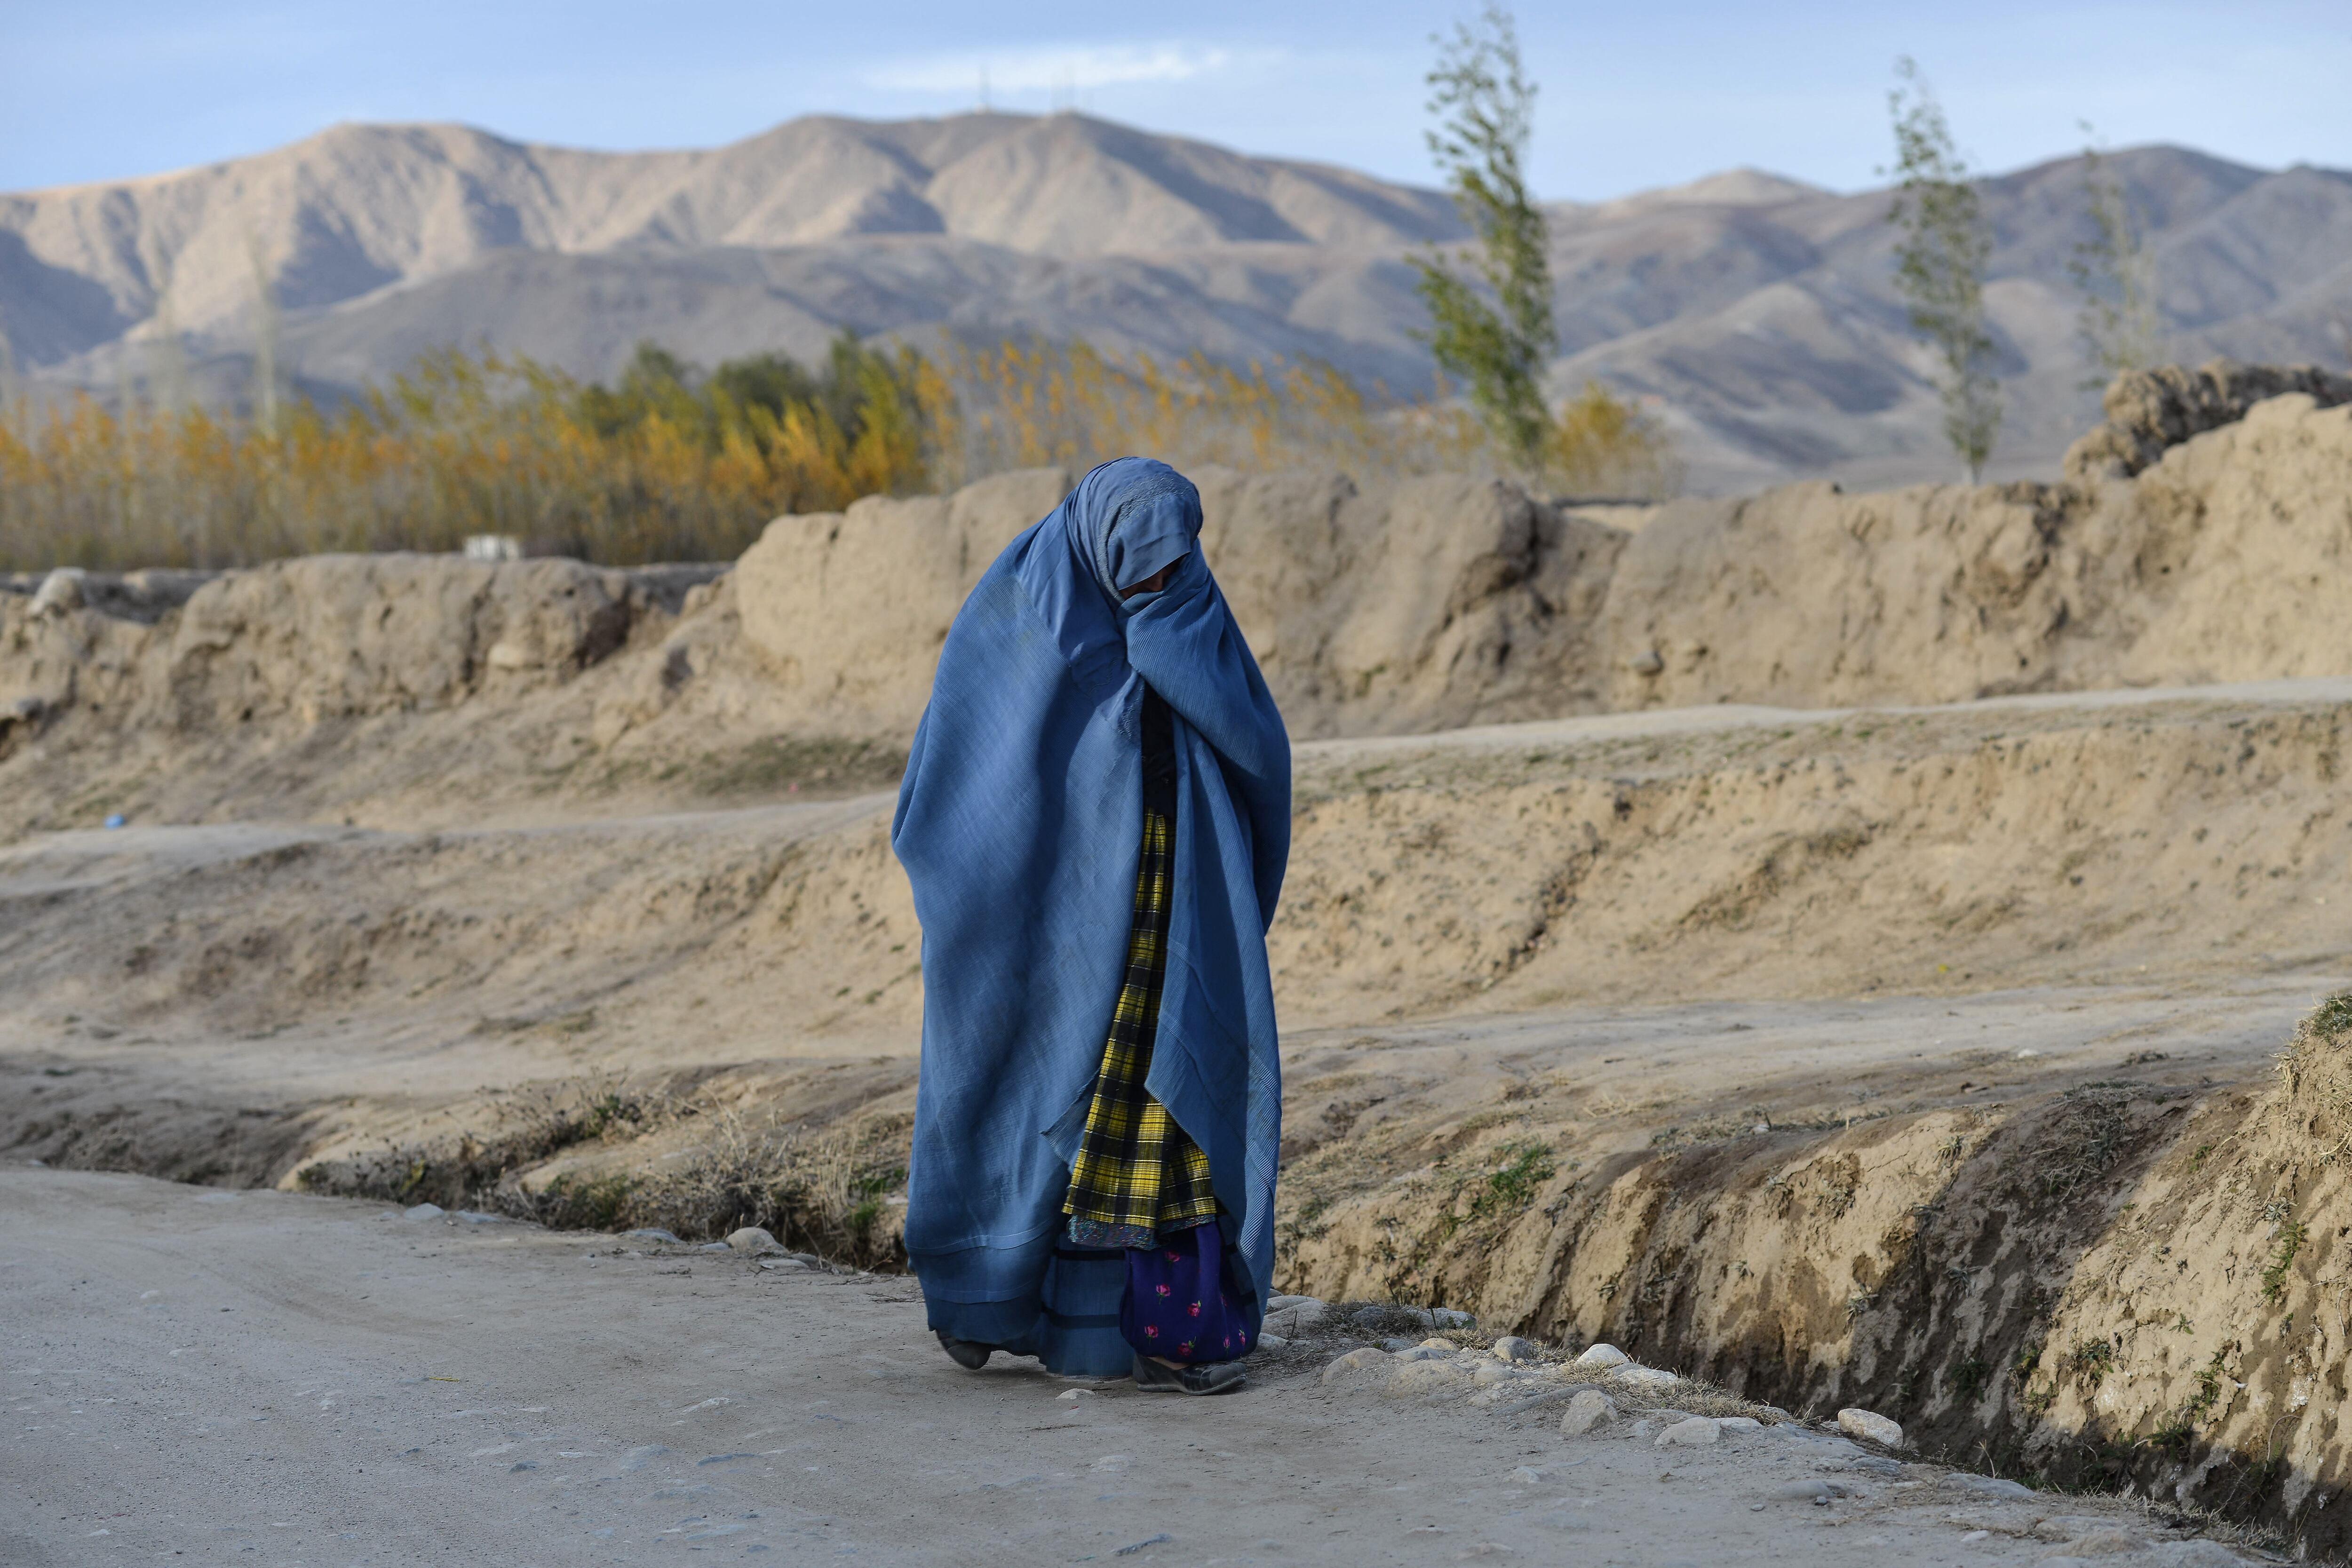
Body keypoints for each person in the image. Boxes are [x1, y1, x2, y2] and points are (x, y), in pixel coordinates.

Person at [891, 457, 1290, 1395]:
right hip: (1048, 928)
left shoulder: (1190, 612)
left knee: (1167, 1101)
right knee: (1019, 1097)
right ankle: (981, 1296)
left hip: (1169, 918)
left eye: (1172, 569)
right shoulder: (1021, 621)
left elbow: (1255, 754)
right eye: (1139, 573)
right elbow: (962, 788)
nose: (1157, 591)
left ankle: (1179, 1330)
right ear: (1098, 552)